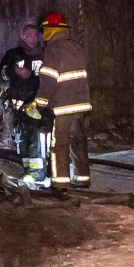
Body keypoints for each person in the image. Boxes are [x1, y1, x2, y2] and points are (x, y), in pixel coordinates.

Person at [34, 10, 92, 191]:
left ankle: (60, 183)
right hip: (80, 103)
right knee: (79, 141)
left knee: (60, 144)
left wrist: (40, 103)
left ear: (50, 29)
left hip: (62, 105)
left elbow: (48, 81)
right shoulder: (78, 47)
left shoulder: (53, 50)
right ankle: (83, 178)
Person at [0, 23, 47, 185]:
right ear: (23, 36)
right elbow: (2, 73)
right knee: (21, 137)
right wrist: (15, 70)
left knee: (36, 136)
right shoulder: (14, 54)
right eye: (29, 35)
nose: (33, 39)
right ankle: (26, 169)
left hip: (38, 103)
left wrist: (32, 77)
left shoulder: (45, 54)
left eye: (35, 35)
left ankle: (37, 172)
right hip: (18, 104)